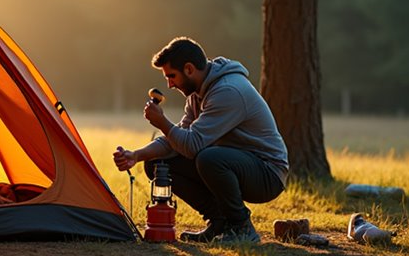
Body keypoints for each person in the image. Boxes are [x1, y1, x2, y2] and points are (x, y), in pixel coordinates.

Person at [113, 37, 288, 243]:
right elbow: (178, 140)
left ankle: (241, 227)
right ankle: (219, 222)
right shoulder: (197, 94)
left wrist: (162, 122)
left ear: (189, 69)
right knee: (157, 164)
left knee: (209, 158)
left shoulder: (227, 91)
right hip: (234, 162)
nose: (169, 84)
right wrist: (137, 155)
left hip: (267, 173)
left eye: (172, 76)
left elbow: (192, 145)